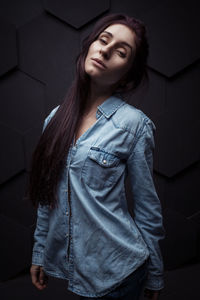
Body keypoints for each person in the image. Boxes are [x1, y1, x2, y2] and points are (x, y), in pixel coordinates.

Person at [28, 13, 165, 300]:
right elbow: (46, 197)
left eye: (121, 52)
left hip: (120, 271)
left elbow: (147, 207)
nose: (105, 50)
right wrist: (40, 253)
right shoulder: (55, 119)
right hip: (77, 271)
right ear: (90, 45)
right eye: (103, 40)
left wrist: (154, 275)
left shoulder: (134, 126)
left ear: (128, 73)